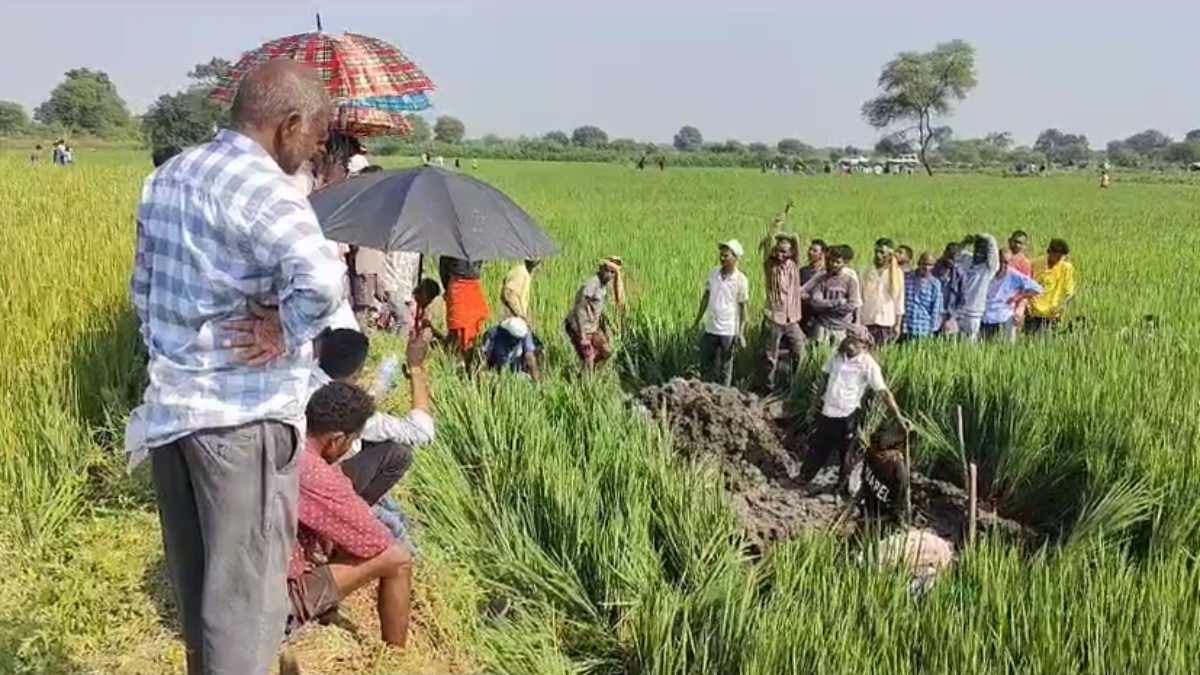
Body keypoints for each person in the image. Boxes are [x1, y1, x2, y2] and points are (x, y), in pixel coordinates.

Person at [126, 60, 342, 675]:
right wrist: (282, 328)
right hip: (241, 422)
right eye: (316, 134)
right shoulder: (268, 188)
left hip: (173, 416)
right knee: (244, 610)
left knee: (203, 604)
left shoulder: (170, 176)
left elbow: (143, 290)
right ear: (289, 124)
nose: (316, 147)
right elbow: (324, 283)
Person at [287, 382, 415, 650]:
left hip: (237, 581)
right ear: (336, 439)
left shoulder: (287, 444)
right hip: (272, 604)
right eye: (352, 440)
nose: (351, 448)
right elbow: (378, 542)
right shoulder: (317, 474)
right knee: (398, 558)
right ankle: (396, 658)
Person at [311, 328, 436, 504]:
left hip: (294, 471)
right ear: (357, 372)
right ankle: (353, 511)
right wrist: (415, 367)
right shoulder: (348, 408)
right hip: (315, 482)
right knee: (399, 453)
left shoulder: (300, 378)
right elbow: (423, 433)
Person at [797, 329, 908, 495]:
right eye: (848, 339)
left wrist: (898, 417)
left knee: (846, 454)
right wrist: (814, 405)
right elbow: (823, 380)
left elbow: (883, 392)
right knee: (818, 447)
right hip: (828, 411)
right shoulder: (837, 357)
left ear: (863, 345)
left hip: (847, 414)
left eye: (853, 341)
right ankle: (804, 477)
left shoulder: (868, 364)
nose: (849, 343)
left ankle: (840, 489)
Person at [758, 213, 805, 390]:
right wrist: (774, 228)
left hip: (792, 318)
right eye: (778, 250)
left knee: (800, 352)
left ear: (791, 252)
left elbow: (797, 240)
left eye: (784, 251)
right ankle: (768, 387)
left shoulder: (794, 265)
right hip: (774, 317)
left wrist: (787, 232)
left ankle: (795, 385)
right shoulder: (770, 266)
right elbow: (769, 242)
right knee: (770, 356)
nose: (780, 254)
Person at [693, 240, 750, 386]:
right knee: (705, 364)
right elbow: (705, 298)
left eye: (726, 256)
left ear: (735, 258)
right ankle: (704, 392)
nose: (722, 258)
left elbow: (743, 308)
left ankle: (723, 397)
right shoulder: (713, 273)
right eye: (721, 255)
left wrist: (741, 333)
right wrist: (697, 321)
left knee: (726, 367)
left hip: (728, 330)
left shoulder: (741, 280)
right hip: (711, 327)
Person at [565, 257, 623, 371]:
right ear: (601, 268)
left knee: (607, 351)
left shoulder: (603, 286)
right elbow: (579, 307)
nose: (609, 275)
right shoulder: (592, 283)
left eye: (612, 272)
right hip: (578, 327)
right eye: (607, 271)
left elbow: (599, 309)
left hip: (592, 327)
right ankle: (586, 385)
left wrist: (607, 327)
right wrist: (582, 335)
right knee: (589, 357)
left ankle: (586, 374)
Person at [804, 245, 861, 344]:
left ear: (845, 263)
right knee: (818, 355)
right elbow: (816, 303)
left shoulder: (850, 281)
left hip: (841, 328)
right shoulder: (822, 279)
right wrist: (838, 303)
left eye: (838, 262)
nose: (834, 264)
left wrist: (826, 307)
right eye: (832, 261)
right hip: (823, 326)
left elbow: (852, 305)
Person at [982, 250, 1043, 342]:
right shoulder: (986, 273)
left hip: (1005, 317)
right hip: (987, 317)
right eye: (1000, 261)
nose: (1002, 265)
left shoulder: (1014, 275)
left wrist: (1019, 296)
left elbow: (1038, 289)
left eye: (1006, 262)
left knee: (1007, 348)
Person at [440, 256, 490, 360]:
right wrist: (447, 288)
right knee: (457, 328)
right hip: (458, 284)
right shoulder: (453, 242)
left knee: (475, 326)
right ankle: (453, 360)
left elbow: (443, 266)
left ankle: (469, 359)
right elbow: (444, 265)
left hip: (471, 285)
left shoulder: (480, 242)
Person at [952, 234, 1000, 341]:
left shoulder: (988, 268)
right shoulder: (967, 259)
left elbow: (994, 252)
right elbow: (955, 255)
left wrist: (987, 237)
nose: (979, 251)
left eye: (983, 249)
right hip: (958, 311)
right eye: (977, 247)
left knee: (969, 345)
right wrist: (964, 242)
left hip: (974, 314)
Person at [859, 238, 906, 346]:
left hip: (886, 321)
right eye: (876, 251)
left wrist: (898, 325)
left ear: (889, 255)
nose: (878, 255)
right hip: (867, 319)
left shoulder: (897, 273)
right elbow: (860, 297)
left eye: (882, 252)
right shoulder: (865, 271)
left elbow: (899, 300)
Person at [1026, 238, 1077, 335]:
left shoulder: (1066, 268)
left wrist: (1061, 307)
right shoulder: (1034, 264)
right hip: (1033, 312)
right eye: (1057, 257)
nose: (1059, 260)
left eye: (1061, 258)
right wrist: (1026, 305)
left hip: (1052, 313)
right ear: (1050, 252)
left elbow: (1069, 292)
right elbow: (1025, 286)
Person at [900, 252, 944, 342]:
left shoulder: (935, 284)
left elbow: (936, 309)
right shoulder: (907, 278)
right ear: (918, 263)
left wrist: (932, 329)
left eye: (930, 265)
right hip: (906, 325)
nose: (926, 267)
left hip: (923, 327)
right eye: (924, 264)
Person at [932, 242, 965, 335]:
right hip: (935, 313)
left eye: (955, 260)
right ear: (944, 254)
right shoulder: (934, 269)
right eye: (950, 258)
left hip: (951, 315)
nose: (952, 262)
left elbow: (963, 299)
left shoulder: (959, 273)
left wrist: (953, 317)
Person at [799, 239, 827, 339]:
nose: (810, 252)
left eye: (815, 251)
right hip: (802, 313)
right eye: (810, 249)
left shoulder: (826, 273)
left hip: (818, 316)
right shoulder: (802, 271)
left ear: (822, 254)